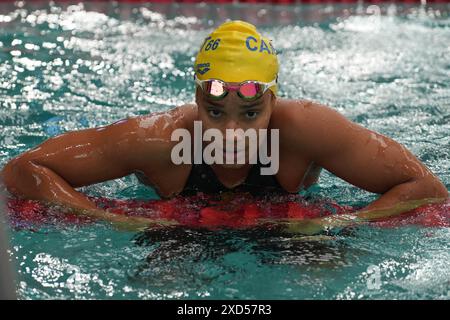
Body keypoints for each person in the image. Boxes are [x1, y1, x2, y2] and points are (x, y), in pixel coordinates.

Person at [1, 21, 447, 232]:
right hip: (180, 238)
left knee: (318, 269)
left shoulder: (308, 129)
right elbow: (22, 170)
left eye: (251, 114)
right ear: (197, 99)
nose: (230, 132)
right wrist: (110, 218)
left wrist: (343, 223)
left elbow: (425, 188)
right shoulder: (156, 139)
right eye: (215, 111)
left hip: (288, 239)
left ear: (272, 101)